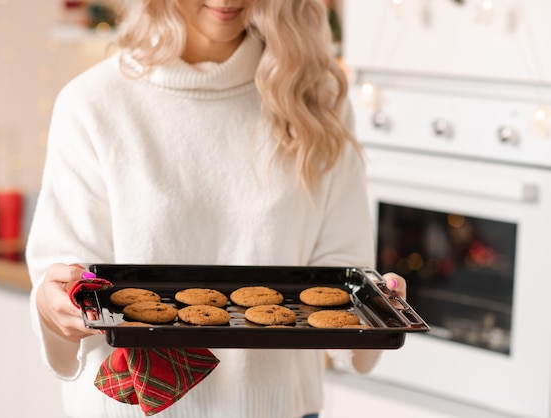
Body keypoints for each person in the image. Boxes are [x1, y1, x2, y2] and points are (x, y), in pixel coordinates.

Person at [25, 1, 407, 417]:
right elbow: (65, 277)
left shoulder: (316, 98)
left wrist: (374, 306)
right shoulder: (93, 103)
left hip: (276, 408)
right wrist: (53, 306)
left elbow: (338, 275)